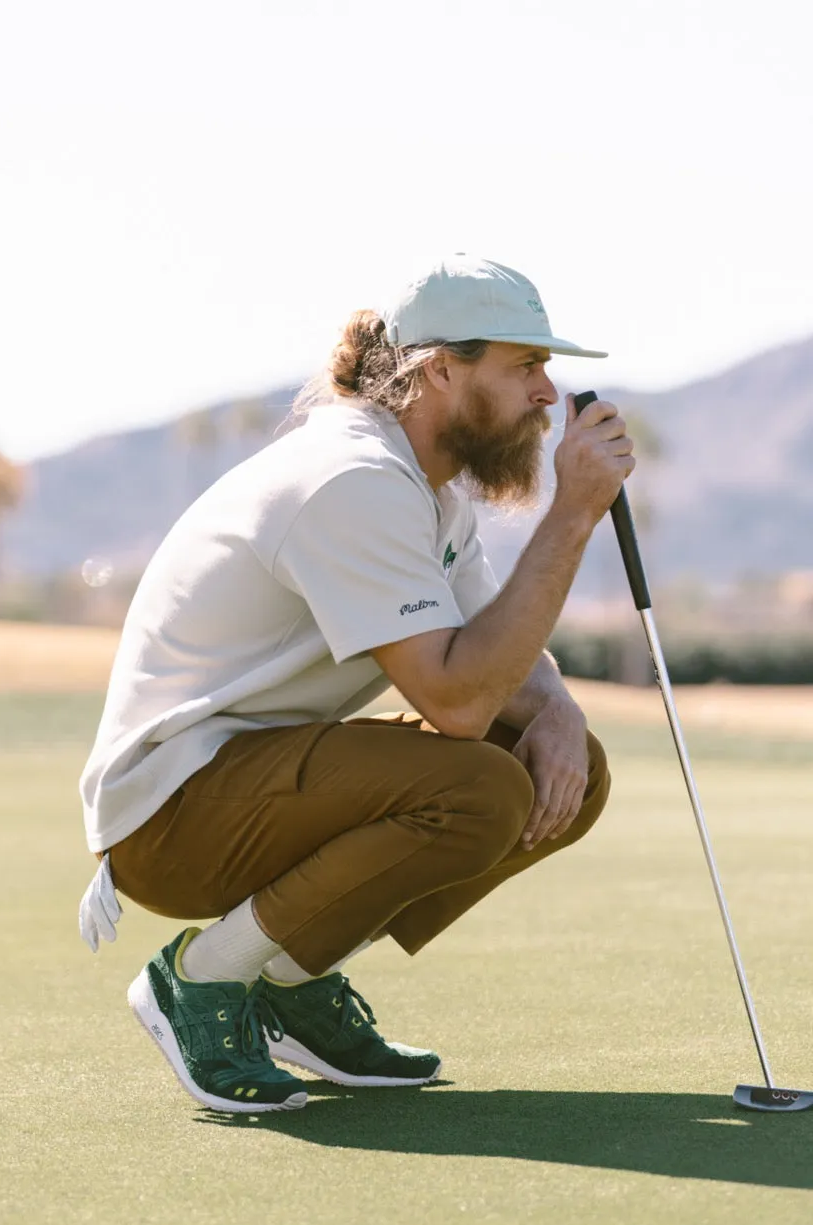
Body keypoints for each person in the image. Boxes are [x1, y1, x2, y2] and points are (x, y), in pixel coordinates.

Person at [78, 255, 635, 1114]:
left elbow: (503, 650)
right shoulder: (355, 481)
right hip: (172, 815)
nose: (548, 394)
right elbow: (455, 701)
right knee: (480, 782)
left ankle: (292, 987)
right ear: (443, 369)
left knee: (570, 764)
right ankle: (198, 978)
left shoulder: (429, 491)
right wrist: (571, 515)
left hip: (259, 781)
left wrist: (557, 710)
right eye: (524, 365)